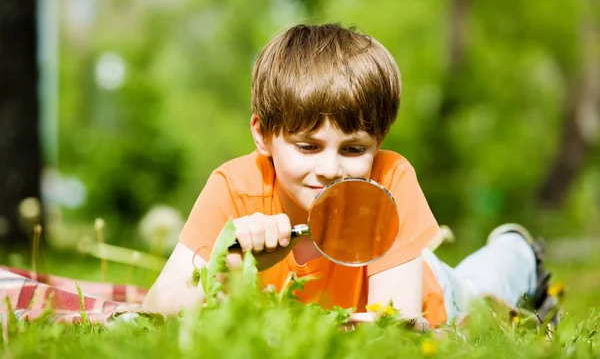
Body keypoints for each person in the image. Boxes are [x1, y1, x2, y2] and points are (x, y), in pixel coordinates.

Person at [142, 23, 557, 327]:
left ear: (379, 141)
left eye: (354, 149)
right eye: (307, 146)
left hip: (435, 295)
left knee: (483, 285)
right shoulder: (234, 188)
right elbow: (158, 309)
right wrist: (229, 261)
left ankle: (518, 249)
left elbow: (393, 324)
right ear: (263, 135)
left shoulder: (390, 179)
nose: (329, 170)